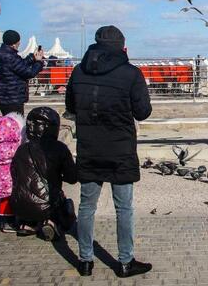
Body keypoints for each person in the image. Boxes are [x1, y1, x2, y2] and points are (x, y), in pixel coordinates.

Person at [65, 26, 152, 278]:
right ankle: (125, 263)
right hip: (120, 150)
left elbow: (71, 106)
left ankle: (85, 261)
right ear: (122, 47)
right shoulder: (131, 73)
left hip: (89, 148)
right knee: (123, 208)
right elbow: (143, 112)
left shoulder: (78, 71)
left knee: (86, 206)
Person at [10, 107, 77, 241]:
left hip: (19, 203)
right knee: (65, 204)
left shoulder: (21, 149)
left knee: (31, 197)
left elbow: (14, 174)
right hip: (47, 204)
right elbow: (72, 178)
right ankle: (50, 222)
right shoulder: (59, 149)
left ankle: (27, 224)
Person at [0, 112, 25, 233]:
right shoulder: (15, 147)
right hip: (12, 180)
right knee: (12, 200)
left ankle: (4, 222)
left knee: (4, 201)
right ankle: (13, 221)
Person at [0, 30, 44, 116]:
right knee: (17, 125)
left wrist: (32, 58)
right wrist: (39, 62)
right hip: (13, 99)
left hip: (4, 97)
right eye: (18, 41)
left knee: (10, 123)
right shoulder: (10, 56)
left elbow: (19, 66)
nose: (19, 43)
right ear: (14, 43)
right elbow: (29, 73)